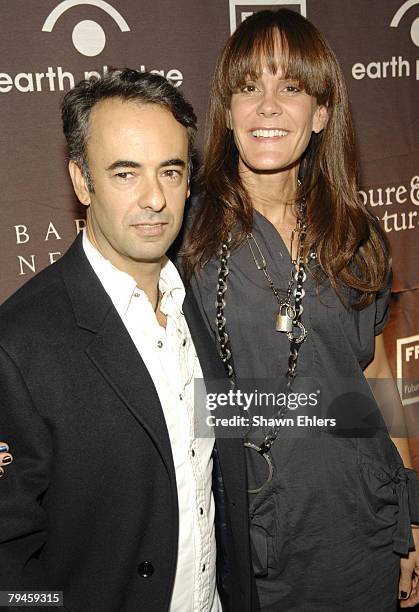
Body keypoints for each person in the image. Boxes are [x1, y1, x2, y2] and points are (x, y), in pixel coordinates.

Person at [182, 9, 419, 611]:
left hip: (362, 525)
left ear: (321, 113)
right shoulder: (186, 233)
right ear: (229, 111)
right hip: (254, 535)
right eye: (249, 88)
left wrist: (414, 521)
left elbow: (373, 381)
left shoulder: (357, 234)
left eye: (290, 87)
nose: (267, 106)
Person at [0, 70, 257, 612]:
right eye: (124, 173)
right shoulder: (20, 344)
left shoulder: (199, 301)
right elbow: (8, 562)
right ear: (81, 181)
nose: (154, 199)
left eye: (170, 171)